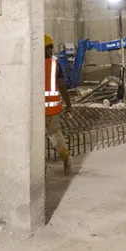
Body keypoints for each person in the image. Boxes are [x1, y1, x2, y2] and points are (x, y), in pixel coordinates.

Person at [44, 34, 71, 174]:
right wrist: (69, 104)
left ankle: (39, 167)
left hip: (37, 110)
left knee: (35, 139)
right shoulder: (56, 63)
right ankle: (65, 157)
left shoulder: (33, 64)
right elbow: (62, 85)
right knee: (55, 135)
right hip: (54, 109)